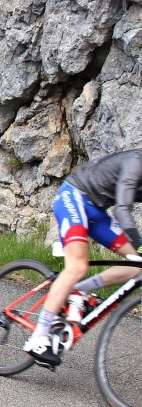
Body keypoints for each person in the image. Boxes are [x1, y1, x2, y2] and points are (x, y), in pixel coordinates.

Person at [22, 149, 142, 366]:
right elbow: (123, 209)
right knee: (77, 267)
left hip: (97, 212)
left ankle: (80, 290)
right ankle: (38, 337)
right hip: (74, 197)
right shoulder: (136, 163)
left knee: (138, 267)